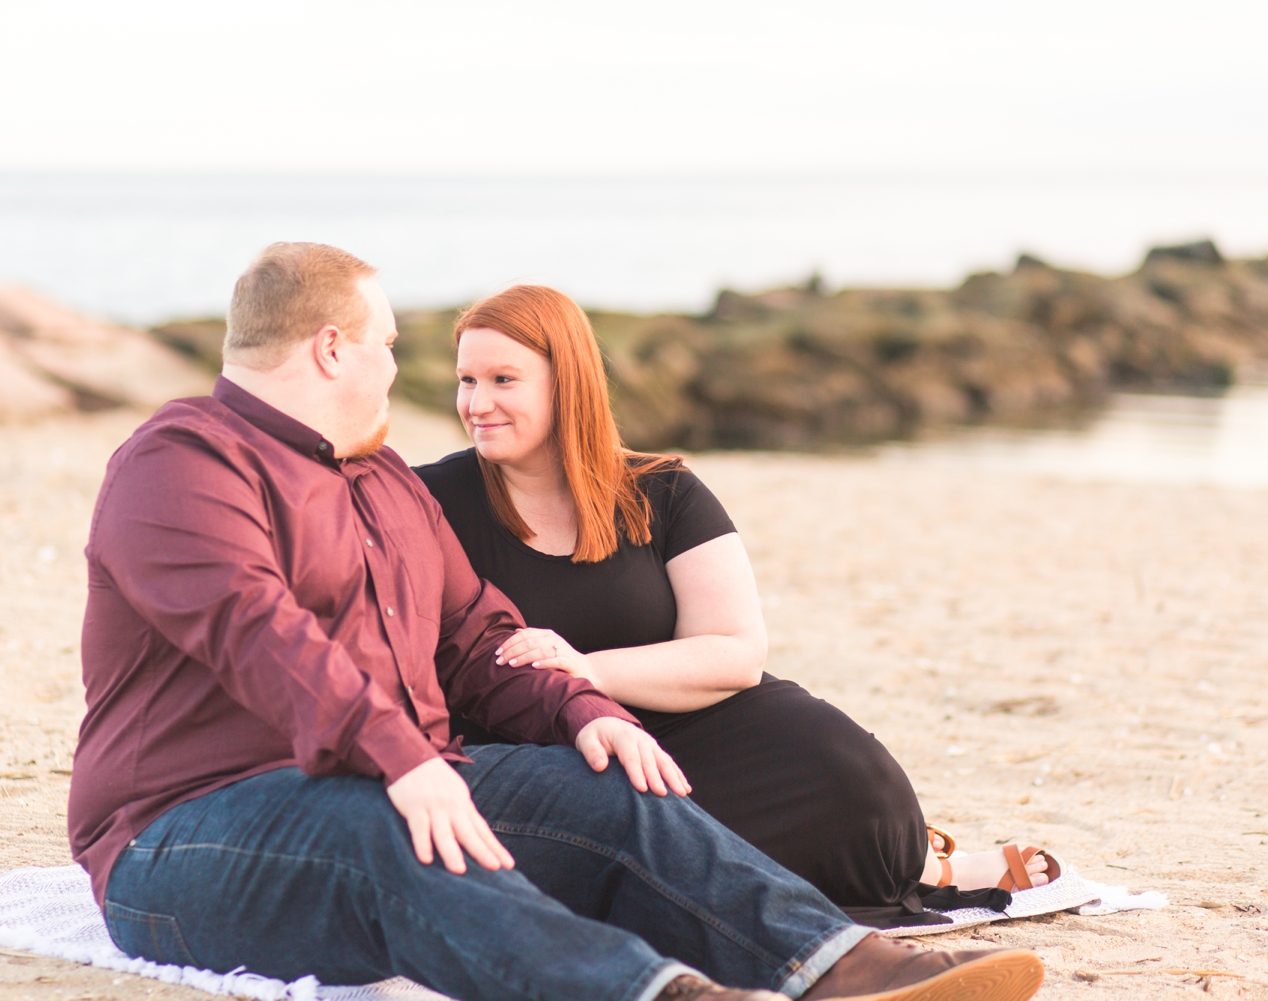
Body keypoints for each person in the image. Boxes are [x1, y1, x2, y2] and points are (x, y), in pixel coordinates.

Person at [68, 243, 1046, 1001]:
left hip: (389, 779)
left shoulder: (380, 482)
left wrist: (584, 709)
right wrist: (403, 757)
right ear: (332, 347)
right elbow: (257, 628)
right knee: (388, 824)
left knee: (608, 784)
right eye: (390, 345)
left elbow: (477, 634)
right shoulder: (184, 460)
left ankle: (839, 965)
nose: (399, 368)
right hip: (185, 829)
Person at [413, 285, 1063, 930]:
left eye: (504, 379)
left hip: (696, 722)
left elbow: (737, 652)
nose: (477, 403)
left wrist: (587, 667)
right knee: (636, 836)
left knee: (852, 775)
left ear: (569, 382)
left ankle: (927, 864)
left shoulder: (663, 489)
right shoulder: (427, 498)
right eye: (467, 379)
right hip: (552, 749)